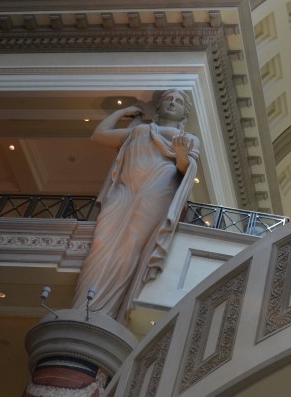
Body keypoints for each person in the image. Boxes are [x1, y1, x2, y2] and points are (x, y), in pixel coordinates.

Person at [72, 89, 199, 319]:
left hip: (157, 190)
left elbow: (185, 170)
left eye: (178, 101)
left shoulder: (187, 140)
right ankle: (83, 304)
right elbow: (99, 135)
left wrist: (181, 154)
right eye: (168, 99)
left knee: (132, 244)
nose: (172, 102)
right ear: (158, 107)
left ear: (184, 115)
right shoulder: (139, 130)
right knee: (102, 240)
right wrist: (123, 111)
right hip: (124, 190)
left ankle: (107, 310)